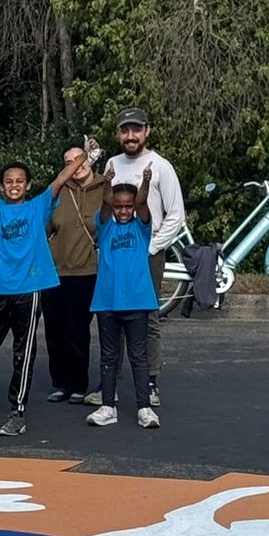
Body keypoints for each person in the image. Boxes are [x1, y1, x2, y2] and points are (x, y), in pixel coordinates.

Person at [0, 152, 88, 426]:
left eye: (19, 181)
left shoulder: (38, 206)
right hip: (0, 290)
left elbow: (60, 180)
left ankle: (17, 412)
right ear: (1, 187)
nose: (14, 185)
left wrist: (82, 158)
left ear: (28, 185)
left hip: (29, 289)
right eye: (9, 181)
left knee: (23, 352)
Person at [106, 107, 186, 406]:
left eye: (136, 129)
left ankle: (151, 382)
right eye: (125, 130)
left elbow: (175, 215)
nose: (130, 136)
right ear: (118, 133)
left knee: (147, 317)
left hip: (146, 253)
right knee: (113, 316)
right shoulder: (112, 164)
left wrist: (152, 247)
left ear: (146, 131)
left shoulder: (160, 166)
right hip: (117, 253)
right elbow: (107, 206)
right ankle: (109, 385)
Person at [88, 167, 160, 428]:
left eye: (127, 206)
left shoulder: (141, 229)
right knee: (108, 356)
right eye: (119, 206)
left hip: (138, 302)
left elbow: (141, 202)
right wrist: (107, 182)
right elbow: (106, 203)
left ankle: (145, 408)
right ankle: (108, 406)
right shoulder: (105, 227)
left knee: (138, 356)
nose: (123, 210)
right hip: (107, 302)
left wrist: (147, 182)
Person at [40, 141, 111, 402]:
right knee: (55, 331)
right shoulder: (57, 192)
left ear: (89, 159)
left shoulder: (105, 187)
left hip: (88, 270)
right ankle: (60, 382)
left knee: (79, 330)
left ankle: (79, 384)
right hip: (55, 271)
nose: (76, 166)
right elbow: (43, 229)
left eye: (79, 159)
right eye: (69, 163)